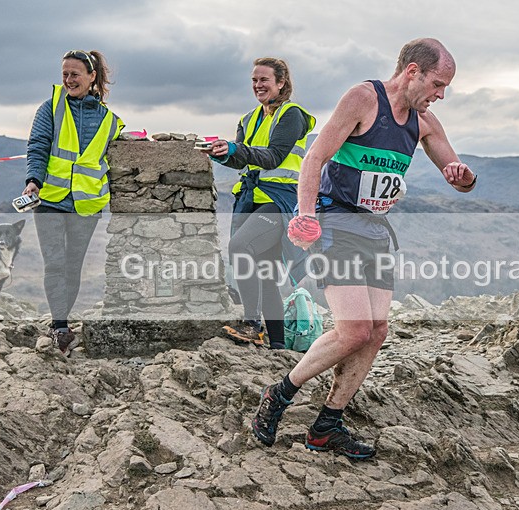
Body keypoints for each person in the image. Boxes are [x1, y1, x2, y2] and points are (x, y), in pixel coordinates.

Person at [251, 38, 477, 458]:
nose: (440, 95)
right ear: (412, 71)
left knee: (375, 332)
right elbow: (314, 158)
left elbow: (459, 176)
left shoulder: (423, 121)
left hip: (374, 229)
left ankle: (326, 426)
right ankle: (278, 396)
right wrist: (306, 215)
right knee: (353, 329)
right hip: (336, 221)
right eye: (438, 84)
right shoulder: (363, 99)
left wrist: (461, 175)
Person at [204, 57, 315, 349]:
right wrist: (222, 153)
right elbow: (242, 158)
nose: (258, 85)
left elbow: (274, 157)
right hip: (253, 199)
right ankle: (277, 345)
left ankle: (252, 323)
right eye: (254, 80)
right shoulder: (248, 119)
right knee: (265, 273)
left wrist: (235, 148)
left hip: (280, 200)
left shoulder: (292, 115)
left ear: (281, 83)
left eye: (264, 80)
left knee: (240, 247)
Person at [21, 50, 123, 355]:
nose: (68, 80)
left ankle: (61, 324)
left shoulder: (109, 120)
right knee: (54, 263)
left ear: (91, 77)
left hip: (85, 205)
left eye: (74, 74)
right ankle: (60, 327)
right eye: (64, 74)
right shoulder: (50, 108)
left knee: (73, 265)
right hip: (49, 199)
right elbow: (38, 146)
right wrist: (33, 182)